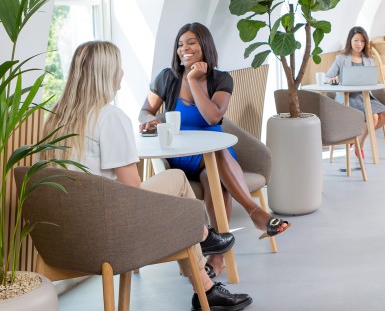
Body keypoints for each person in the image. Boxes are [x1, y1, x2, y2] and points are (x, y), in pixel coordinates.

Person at [44, 41, 252, 311]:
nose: (122, 73)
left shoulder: (55, 119)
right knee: (177, 185)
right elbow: (134, 190)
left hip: (66, 237)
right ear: (106, 73)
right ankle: (203, 238)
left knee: (176, 202)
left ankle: (205, 264)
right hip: (109, 234)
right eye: (119, 67)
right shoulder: (110, 117)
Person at [139, 22, 290, 278]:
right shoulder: (166, 78)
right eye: (180, 44)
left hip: (216, 152)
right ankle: (256, 214)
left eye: (191, 43)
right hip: (183, 155)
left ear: (204, 46)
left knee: (214, 175)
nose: (183, 49)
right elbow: (145, 110)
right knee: (216, 157)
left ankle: (217, 256)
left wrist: (194, 80)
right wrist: (149, 120)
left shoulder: (221, 79)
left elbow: (212, 118)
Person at [325, 26, 385, 158]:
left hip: (366, 96)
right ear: (350, 40)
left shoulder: (368, 60)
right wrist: (332, 79)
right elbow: (327, 77)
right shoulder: (341, 59)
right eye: (356, 40)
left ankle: (356, 138)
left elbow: (371, 79)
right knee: (373, 117)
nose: (359, 44)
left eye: (362, 41)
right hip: (348, 97)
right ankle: (360, 146)